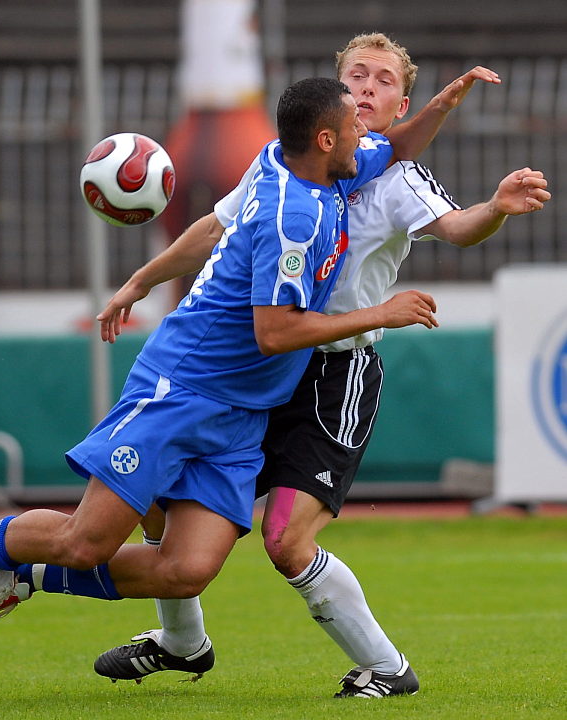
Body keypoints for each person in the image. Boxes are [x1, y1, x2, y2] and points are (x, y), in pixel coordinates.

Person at [0, 79, 440, 655]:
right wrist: (380, 314)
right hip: (185, 387)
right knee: (86, 542)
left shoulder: (318, 164)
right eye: (354, 125)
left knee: (185, 570)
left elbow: (396, 145)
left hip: (243, 412)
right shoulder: (293, 218)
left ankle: (27, 575)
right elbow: (275, 333)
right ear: (326, 139)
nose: (366, 131)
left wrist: (444, 103)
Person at [91, 35, 551, 698]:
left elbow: (458, 226)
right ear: (335, 96)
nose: (367, 87)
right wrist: (140, 281)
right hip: (266, 366)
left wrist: (495, 209)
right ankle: (182, 642)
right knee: (162, 505)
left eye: (384, 81)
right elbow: (215, 229)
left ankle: (387, 668)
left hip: (336, 375)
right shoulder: (285, 162)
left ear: (400, 104)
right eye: (356, 75)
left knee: (284, 540)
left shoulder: (397, 178)